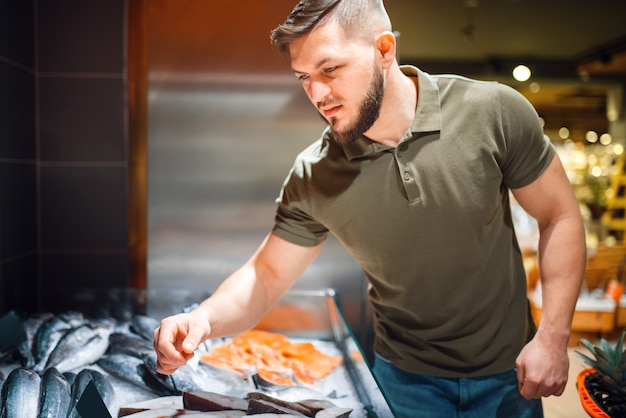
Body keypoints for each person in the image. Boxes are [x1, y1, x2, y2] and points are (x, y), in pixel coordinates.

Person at [153, 0, 586, 416]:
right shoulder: (314, 173)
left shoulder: (492, 112)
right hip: (403, 382)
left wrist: (552, 337)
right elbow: (265, 276)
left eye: (330, 69)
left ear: (384, 49)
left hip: (512, 370)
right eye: (303, 77)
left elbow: (559, 216)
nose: (317, 94)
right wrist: (203, 320)